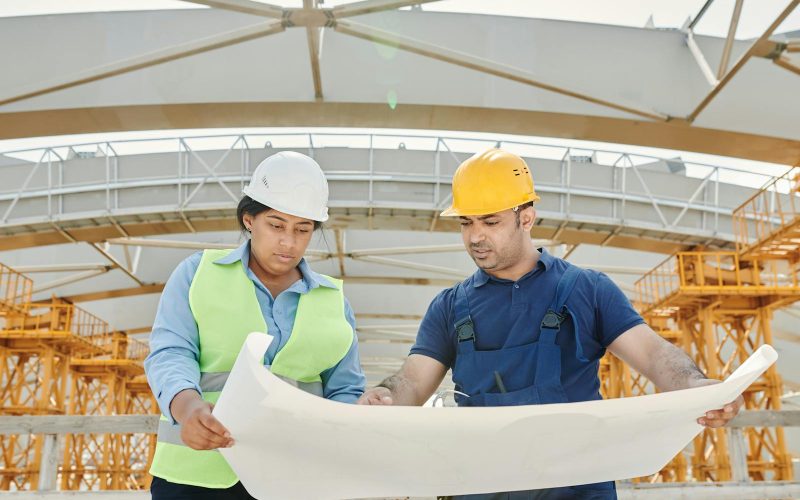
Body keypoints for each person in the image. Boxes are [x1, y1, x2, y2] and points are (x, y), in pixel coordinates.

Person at [358, 149, 744, 499]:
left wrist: (697, 386)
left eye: (490, 221)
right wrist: (384, 396)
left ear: (526, 217)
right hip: (481, 485)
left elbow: (652, 352)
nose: (475, 236)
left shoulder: (587, 290)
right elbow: (412, 381)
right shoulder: (450, 307)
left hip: (575, 487)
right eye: (466, 222)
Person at [145, 151, 366, 499]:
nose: (288, 242)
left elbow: (346, 389)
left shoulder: (333, 300)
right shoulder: (197, 274)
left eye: (303, 229)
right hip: (197, 477)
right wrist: (187, 409)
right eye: (276, 225)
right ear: (249, 219)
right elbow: (171, 352)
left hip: (297, 479)